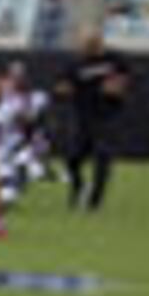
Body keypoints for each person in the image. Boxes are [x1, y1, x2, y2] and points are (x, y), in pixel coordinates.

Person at [54, 35, 131, 210]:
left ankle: (95, 200)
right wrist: (63, 90)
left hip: (106, 117)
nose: (86, 48)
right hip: (83, 117)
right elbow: (62, 86)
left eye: (90, 44)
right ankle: (79, 186)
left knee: (102, 156)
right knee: (72, 158)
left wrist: (118, 86)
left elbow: (124, 80)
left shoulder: (114, 60)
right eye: (84, 45)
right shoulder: (76, 64)